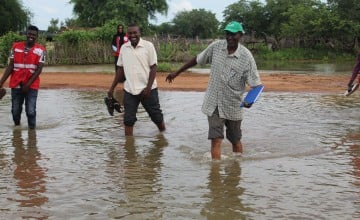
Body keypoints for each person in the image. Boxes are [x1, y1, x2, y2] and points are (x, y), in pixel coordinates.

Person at [166, 21, 262, 160]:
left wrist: (250, 101)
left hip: (233, 105)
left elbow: (256, 84)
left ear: (240, 35)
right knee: (216, 139)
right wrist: (177, 72)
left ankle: (237, 168)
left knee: (235, 139)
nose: (229, 37)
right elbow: (197, 59)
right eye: (227, 34)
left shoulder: (246, 57)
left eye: (233, 34)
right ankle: (215, 175)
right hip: (214, 103)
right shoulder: (216, 47)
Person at [107, 23, 166, 136]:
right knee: (128, 120)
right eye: (130, 33)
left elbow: (153, 67)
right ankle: (129, 149)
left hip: (148, 90)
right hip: (130, 90)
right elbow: (120, 69)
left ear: (140, 33)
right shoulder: (124, 48)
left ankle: (163, 134)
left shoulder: (148, 46)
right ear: (127, 35)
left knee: (156, 117)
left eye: (135, 32)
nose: (132, 35)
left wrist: (148, 89)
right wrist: (111, 89)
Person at [0, 25, 46, 129]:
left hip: (32, 85)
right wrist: (1, 82)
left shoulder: (41, 50)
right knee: (15, 111)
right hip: (16, 84)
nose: (31, 36)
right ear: (26, 34)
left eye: (33, 35)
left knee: (30, 111)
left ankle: (32, 132)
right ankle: (17, 129)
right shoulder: (15, 47)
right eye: (29, 34)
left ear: (37, 36)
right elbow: (11, 66)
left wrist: (28, 85)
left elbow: (39, 70)